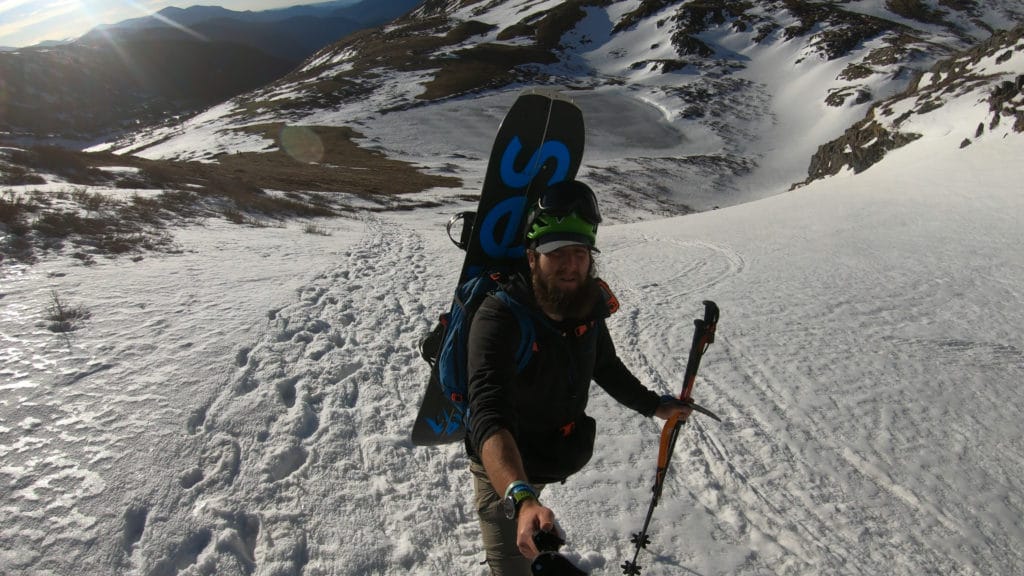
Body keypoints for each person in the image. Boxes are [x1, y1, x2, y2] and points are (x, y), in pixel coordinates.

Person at [465, 179, 692, 575]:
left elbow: (603, 364)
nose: (571, 265)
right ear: (532, 257)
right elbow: (488, 412)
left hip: (545, 455)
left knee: (532, 527)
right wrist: (519, 496)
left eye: (580, 252)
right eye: (556, 252)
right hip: (503, 468)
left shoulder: (583, 305)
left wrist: (653, 404)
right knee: (515, 567)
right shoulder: (499, 317)